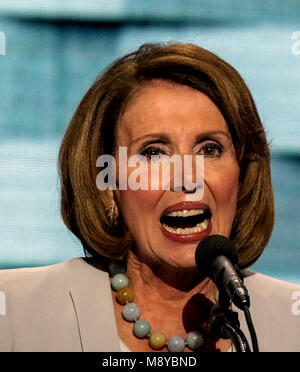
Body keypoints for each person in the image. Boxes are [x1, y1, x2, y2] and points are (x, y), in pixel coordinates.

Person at [0, 42, 299, 352]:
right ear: (108, 187)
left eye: (209, 149)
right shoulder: (14, 314)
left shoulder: (292, 323)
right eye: (154, 152)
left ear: (242, 175)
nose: (187, 178)